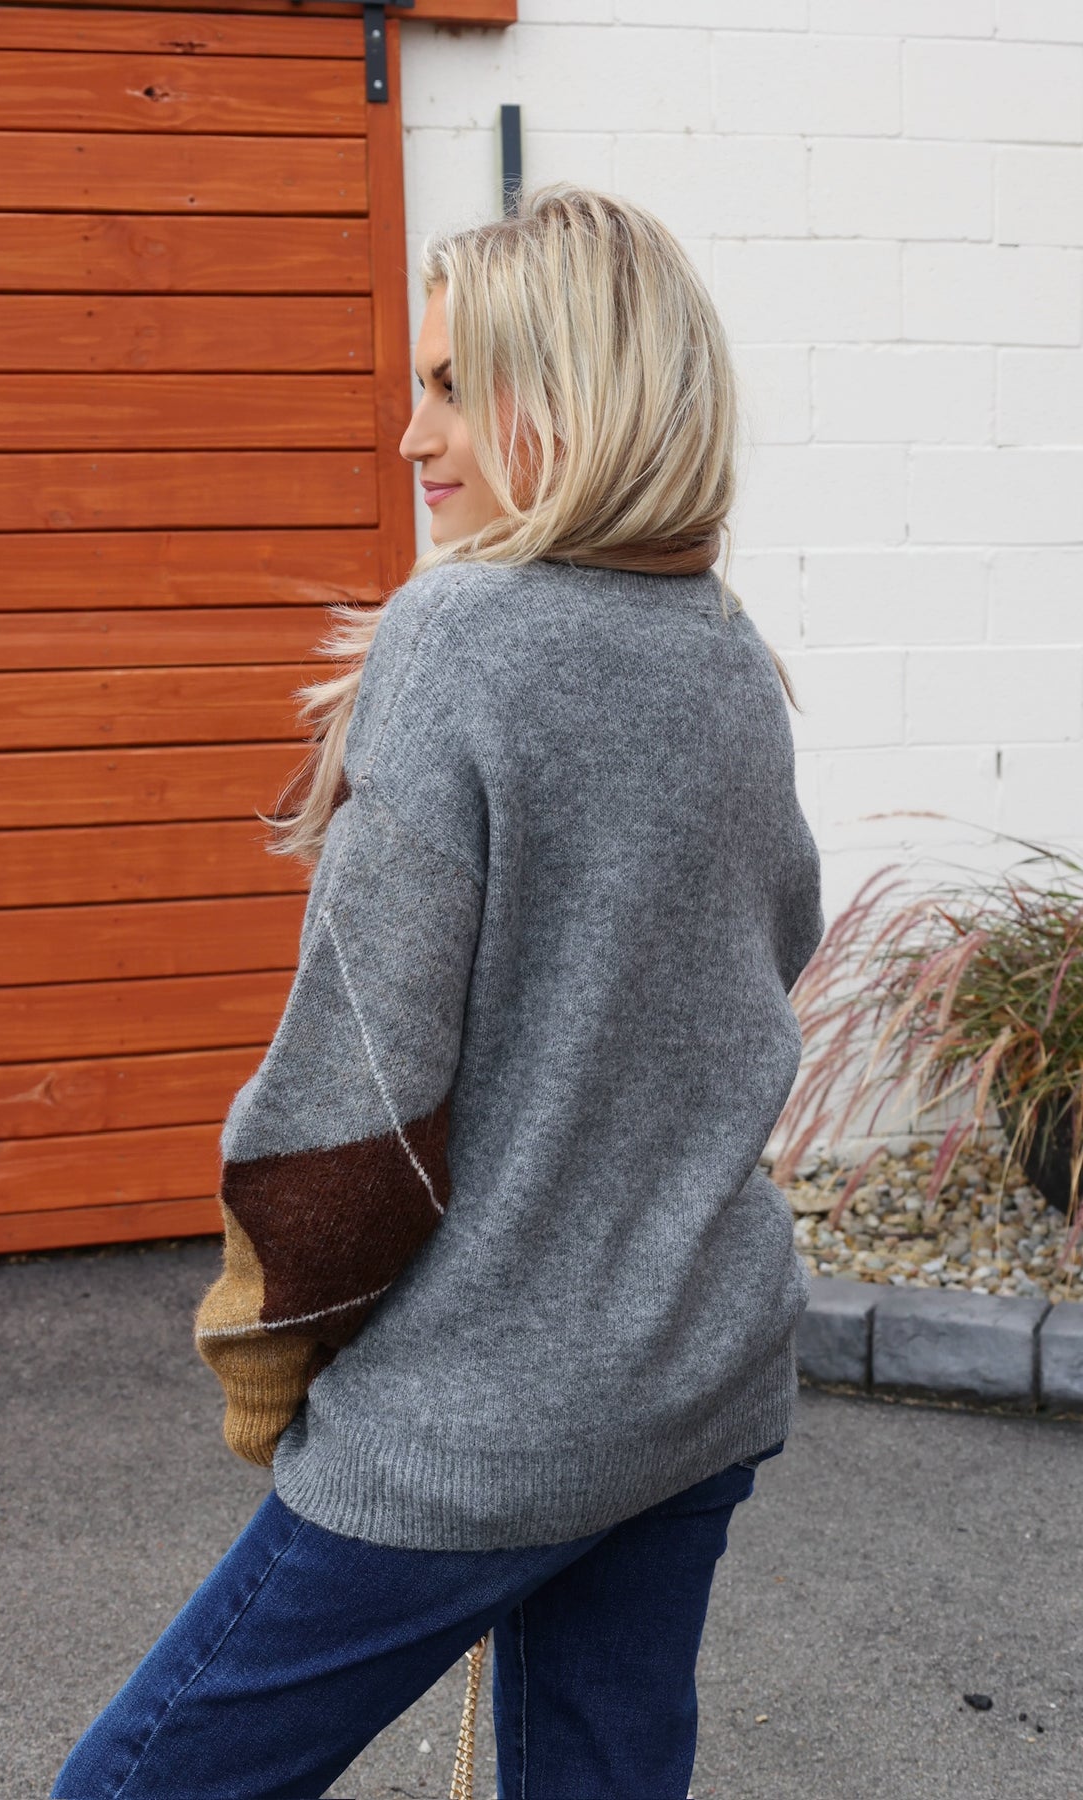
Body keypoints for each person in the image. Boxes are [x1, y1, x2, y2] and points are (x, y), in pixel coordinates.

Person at [51, 183, 825, 1800]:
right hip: (695, 1374)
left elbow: (357, 1077)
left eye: (456, 388)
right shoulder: (730, 652)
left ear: (579, 393)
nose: (414, 435)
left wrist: (269, 1340)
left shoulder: (461, 636)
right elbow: (770, 953)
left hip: (480, 1417)